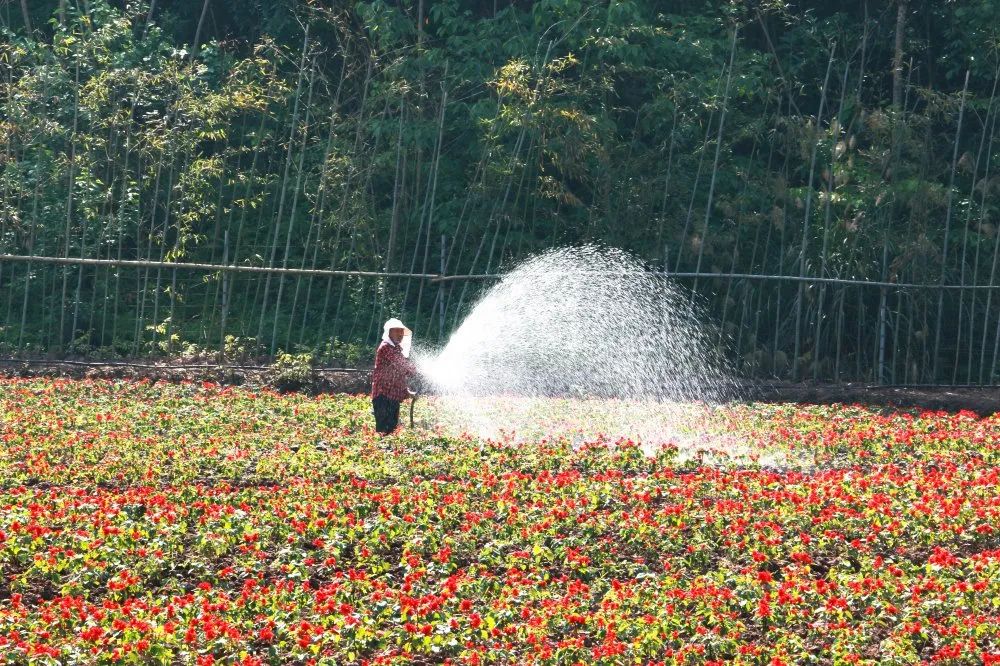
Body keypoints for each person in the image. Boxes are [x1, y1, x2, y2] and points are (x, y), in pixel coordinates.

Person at [371, 318, 416, 435]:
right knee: (383, 430)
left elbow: (398, 375)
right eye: (397, 331)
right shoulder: (386, 347)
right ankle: (381, 452)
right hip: (383, 396)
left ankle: (386, 451)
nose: (400, 335)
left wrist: (407, 392)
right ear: (389, 332)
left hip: (393, 397)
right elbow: (402, 366)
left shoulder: (396, 349)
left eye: (401, 332)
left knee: (391, 430)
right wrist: (418, 372)